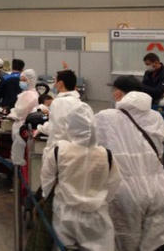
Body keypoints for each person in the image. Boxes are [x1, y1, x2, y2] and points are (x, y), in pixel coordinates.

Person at [95, 76, 164, 251]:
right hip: (159, 188)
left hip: (125, 190)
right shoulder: (157, 117)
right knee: (156, 244)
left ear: (118, 93)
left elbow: (92, 149)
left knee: (125, 241)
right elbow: (161, 151)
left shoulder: (105, 117)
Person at [41, 102, 120, 251]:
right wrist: (98, 199)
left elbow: (47, 181)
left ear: (70, 126)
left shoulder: (59, 150)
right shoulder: (106, 154)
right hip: (97, 215)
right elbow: (114, 184)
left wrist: (49, 199)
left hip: (64, 212)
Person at [142, 52, 164, 168]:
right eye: (146, 64)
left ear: (156, 62)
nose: (147, 67)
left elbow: (156, 91)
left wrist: (154, 91)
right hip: (150, 108)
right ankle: (153, 163)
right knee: (150, 136)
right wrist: (157, 92)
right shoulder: (148, 73)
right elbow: (147, 90)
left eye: (148, 64)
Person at [38, 69, 82, 152]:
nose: (54, 85)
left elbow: (53, 128)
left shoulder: (58, 103)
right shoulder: (80, 103)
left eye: (55, 81)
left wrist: (39, 128)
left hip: (59, 150)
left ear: (61, 83)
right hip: (76, 149)